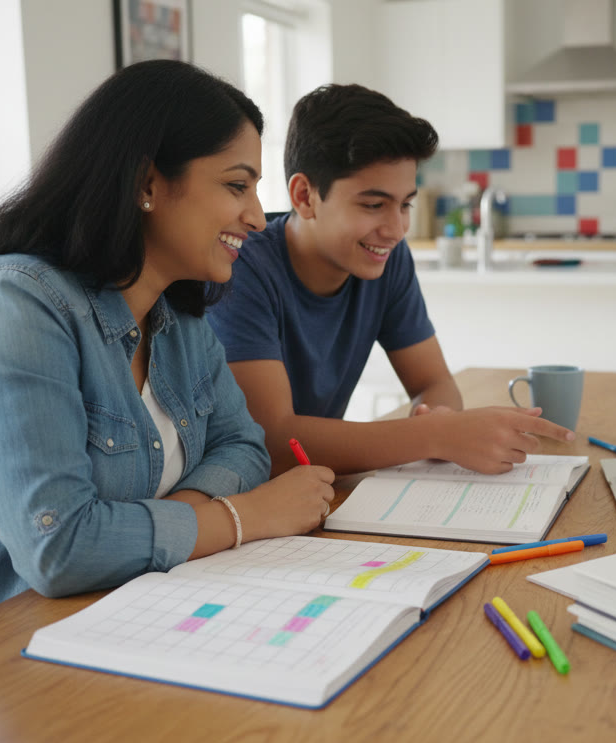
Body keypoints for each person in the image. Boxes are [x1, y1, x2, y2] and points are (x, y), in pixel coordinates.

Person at [0, 61, 334, 678]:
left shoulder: (178, 316)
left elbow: (244, 446)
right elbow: (60, 548)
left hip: (91, 631)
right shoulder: (16, 304)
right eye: (237, 186)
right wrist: (242, 517)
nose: (259, 218)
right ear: (147, 181)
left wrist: (180, 520)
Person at [207, 84, 574, 477]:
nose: (397, 228)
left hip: (314, 488)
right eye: (373, 205)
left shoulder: (386, 259)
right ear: (305, 196)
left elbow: (434, 382)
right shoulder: (241, 266)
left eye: (406, 205)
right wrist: (435, 435)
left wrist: (441, 417)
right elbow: (274, 441)